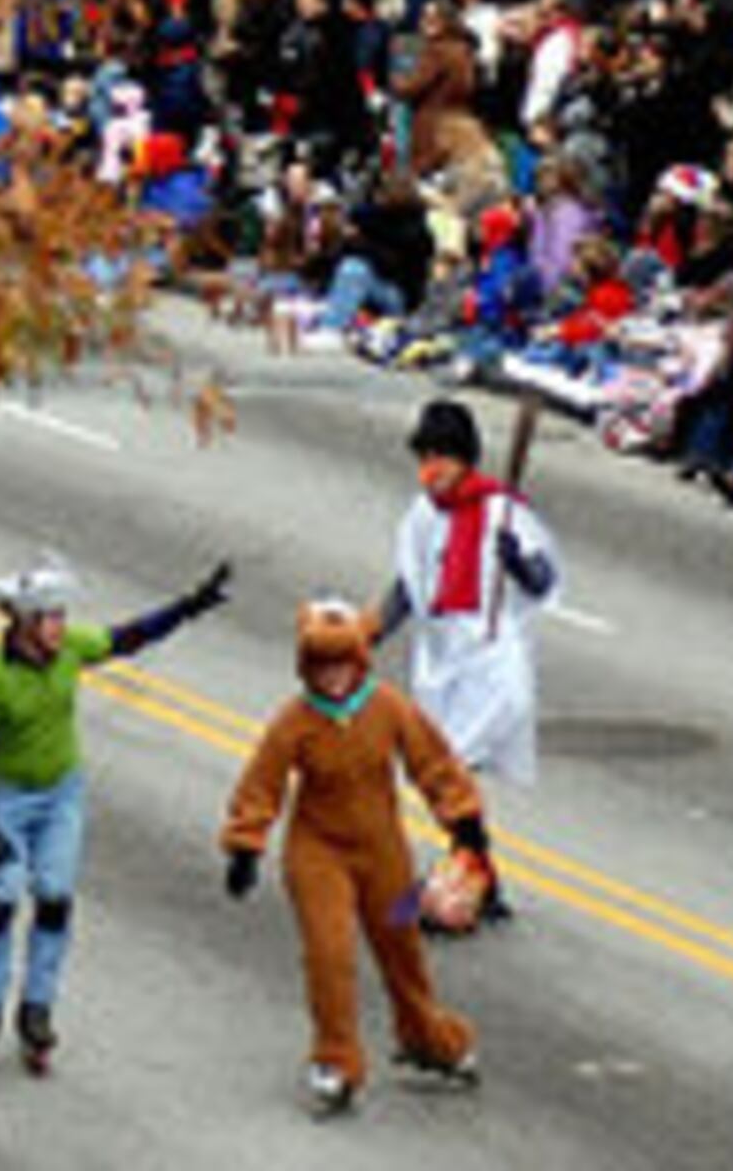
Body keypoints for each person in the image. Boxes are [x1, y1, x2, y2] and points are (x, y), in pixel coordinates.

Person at [0, 553, 233, 1076]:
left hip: (60, 794)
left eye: (62, 616)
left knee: (55, 899)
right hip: (6, 797)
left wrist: (190, 606)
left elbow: (130, 638)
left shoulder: (70, 649)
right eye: (51, 617)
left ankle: (37, 1010)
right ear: (25, 622)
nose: (61, 626)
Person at [220, 596, 492, 1119]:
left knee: (402, 949)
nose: (334, 677)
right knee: (331, 953)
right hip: (317, 853)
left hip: (384, 852)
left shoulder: (387, 706)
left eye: (342, 663)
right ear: (307, 667)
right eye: (322, 665)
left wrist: (465, 823)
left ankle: (429, 1039)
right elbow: (261, 785)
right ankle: (336, 1059)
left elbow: (433, 764)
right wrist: (245, 847)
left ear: (359, 661)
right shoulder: (294, 722)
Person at [365, 398, 558, 918]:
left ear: (464, 458)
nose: (432, 469)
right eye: (424, 457)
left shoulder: (503, 510)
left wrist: (516, 564)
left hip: (492, 664)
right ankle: (480, 877)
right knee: (448, 779)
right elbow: (409, 585)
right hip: (443, 664)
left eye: (442, 457)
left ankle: (461, 877)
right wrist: (370, 632)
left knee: (449, 774)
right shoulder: (423, 515)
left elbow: (544, 580)